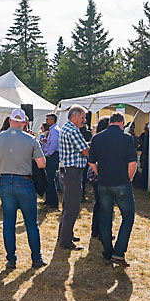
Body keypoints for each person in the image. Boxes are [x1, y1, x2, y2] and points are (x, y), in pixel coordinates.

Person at [0, 108, 47, 270]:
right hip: (24, 182)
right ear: (24, 123)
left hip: (5, 181)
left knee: (8, 222)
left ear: (10, 121)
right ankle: (36, 259)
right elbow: (41, 164)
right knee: (31, 224)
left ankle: (11, 260)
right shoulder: (31, 140)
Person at [89, 112, 138, 265]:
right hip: (122, 182)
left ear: (110, 122)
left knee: (105, 217)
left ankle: (107, 252)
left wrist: (100, 173)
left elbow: (91, 162)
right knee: (128, 217)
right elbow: (132, 164)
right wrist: (128, 179)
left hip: (103, 183)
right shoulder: (126, 138)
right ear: (122, 123)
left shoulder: (97, 138)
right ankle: (118, 252)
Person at [55, 105, 90, 250]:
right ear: (74, 116)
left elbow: (80, 147)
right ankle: (65, 240)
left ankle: (64, 234)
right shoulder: (74, 131)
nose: (84, 120)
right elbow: (85, 151)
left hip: (67, 172)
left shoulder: (66, 128)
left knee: (67, 205)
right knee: (73, 207)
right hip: (72, 173)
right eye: (82, 117)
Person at [41, 112, 61, 209]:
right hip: (53, 155)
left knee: (51, 179)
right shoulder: (54, 130)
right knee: (49, 179)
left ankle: (53, 202)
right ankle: (49, 200)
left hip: (52, 156)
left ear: (53, 120)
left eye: (48, 119)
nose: (46, 121)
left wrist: (48, 153)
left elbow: (54, 143)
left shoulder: (54, 131)